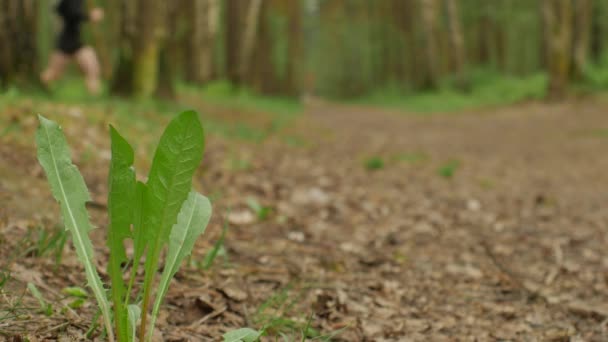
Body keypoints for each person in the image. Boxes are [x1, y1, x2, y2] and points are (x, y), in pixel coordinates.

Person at [40, 0, 104, 95]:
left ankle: (95, 96)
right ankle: (37, 88)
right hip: (66, 42)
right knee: (53, 73)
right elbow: (73, 14)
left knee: (92, 68)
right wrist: (90, 16)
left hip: (75, 41)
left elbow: (64, 10)